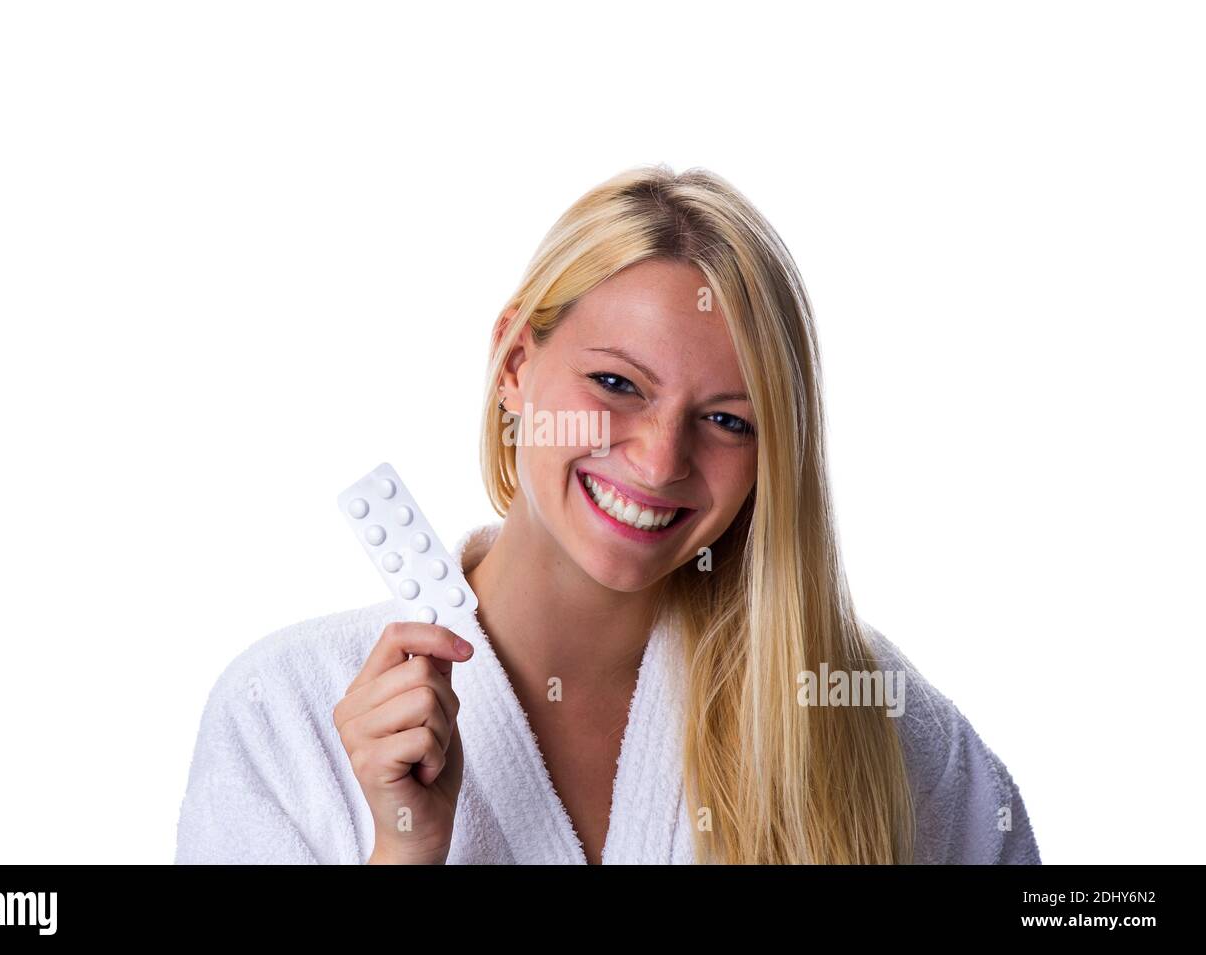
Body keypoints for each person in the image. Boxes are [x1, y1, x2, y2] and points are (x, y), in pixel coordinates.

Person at [175, 164, 1041, 864]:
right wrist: (407, 848)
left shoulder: (858, 718)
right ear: (516, 364)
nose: (661, 459)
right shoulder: (282, 713)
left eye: (728, 420)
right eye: (617, 384)